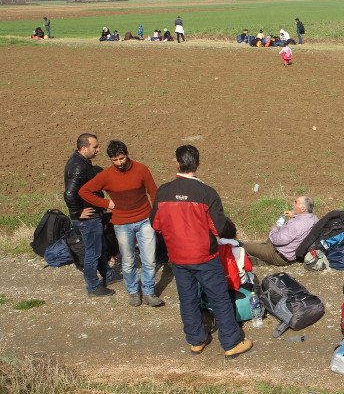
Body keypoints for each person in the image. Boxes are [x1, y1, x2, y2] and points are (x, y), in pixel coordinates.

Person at [149, 145, 252, 359]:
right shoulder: (206, 193)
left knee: (187, 298)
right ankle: (231, 342)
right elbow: (219, 227)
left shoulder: (164, 191)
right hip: (204, 256)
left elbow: (155, 224)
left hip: (178, 257)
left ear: (177, 163)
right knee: (219, 298)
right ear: (198, 163)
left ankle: (196, 340)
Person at [78, 140, 163, 307]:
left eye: (121, 158)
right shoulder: (107, 175)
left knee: (149, 259)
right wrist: (105, 204)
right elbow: (84, 191)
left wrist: (156, 216)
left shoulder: (141, 169)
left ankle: (148, 291)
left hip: (145, 220)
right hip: (122, 223)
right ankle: (133, 292)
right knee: (128, 260)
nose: (119, 163)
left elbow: (153, 192)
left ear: (127, 154)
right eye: (114, 160)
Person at [64, 133, 115, 297]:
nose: (98, 150)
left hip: (92, 216)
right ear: (84, 148)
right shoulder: (79, 166)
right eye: (95, 147)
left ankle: (107, 274)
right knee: (93, 252)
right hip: (88, 218)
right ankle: (93, 286)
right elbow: (70, 194)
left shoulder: (81, 162)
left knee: (98, 247)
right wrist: (78, 212)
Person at [243, 196, 318, 265]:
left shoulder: (295, 225)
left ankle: (262, 260)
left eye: (295, 202)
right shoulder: (314, 219)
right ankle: (262, 254)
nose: (292, 204)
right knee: (260, 245)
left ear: (303, 209)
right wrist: (294, 215)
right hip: (292, 254)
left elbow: (277, 240)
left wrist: (274, 228)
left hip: (278, 255)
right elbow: (302, 221)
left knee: (245, 246)